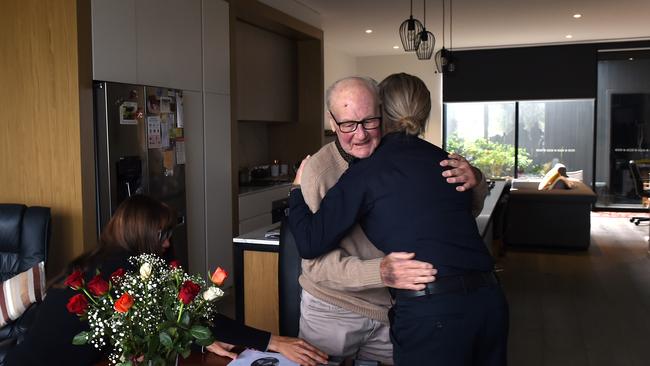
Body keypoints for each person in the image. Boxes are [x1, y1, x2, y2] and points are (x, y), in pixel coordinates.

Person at [289, 73, 508, 365]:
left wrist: (476, 177)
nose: (361, 134)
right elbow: (311, 253)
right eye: (348, 124)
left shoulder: (377, 169)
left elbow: (459, 210)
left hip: (421, 307)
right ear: (332, 122)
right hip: (482, 302)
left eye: (368, 121)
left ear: (381, 113)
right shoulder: (325, 170)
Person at [6, 195, 327, 366]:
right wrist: (275, 341)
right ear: (142, 234)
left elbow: (159, 318)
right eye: (163, 234)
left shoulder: (99, 259)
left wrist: (197, 337)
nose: (167, 243)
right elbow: (198, 314)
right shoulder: (124, 269)